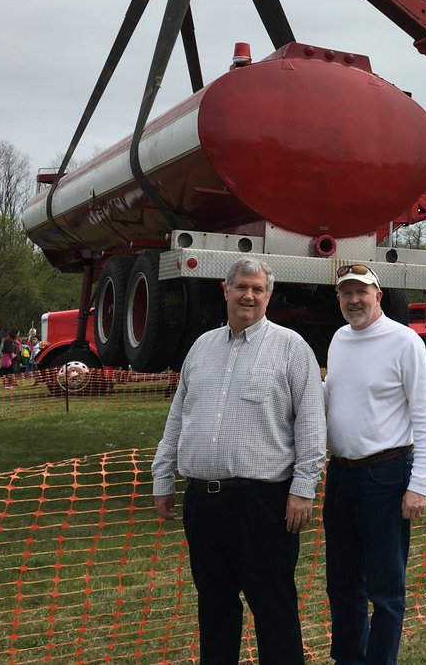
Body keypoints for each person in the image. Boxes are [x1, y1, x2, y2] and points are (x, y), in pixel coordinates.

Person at [152, 256, 326, 665]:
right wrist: (163, 476)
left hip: (263, 504)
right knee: (214, 607)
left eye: (258, 289)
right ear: (225, 290)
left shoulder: (291, 348)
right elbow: (178, 417)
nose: (249, 295)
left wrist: (303, 489)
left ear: (269, 295)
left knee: (274, 608)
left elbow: (312, 425)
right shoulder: (201, 347)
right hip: (204, 504)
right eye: (242, 286)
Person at [323, 263, 426, 665]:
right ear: (338, 298)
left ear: (378, 295)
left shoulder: (404, 341)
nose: (354, 300)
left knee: (385, 590)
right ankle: (348, 659)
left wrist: (419, 485)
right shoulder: (338, 339)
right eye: (346, 293)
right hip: (340, 476)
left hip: (386, 477)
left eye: (362, 292)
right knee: (341, 584)